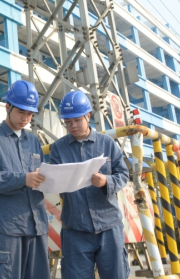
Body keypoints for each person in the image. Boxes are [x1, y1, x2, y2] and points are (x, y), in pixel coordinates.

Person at [50, 91, 130, 279]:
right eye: (68, 122)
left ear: (88, 115)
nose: (73, 126)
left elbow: (123, 174)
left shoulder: (107, 143)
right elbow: (52, 180)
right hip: (75, 229)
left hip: (108, 226)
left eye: (77, 120)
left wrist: (106, 181)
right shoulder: (59, 148)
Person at [0, 79, 50, 279]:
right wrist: (23, 179)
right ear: (7, 107)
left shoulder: (34, 141)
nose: (25, 118)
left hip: (36, 225)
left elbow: (41, 175)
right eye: (21, 112)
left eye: (29, 114)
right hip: (7, 226)